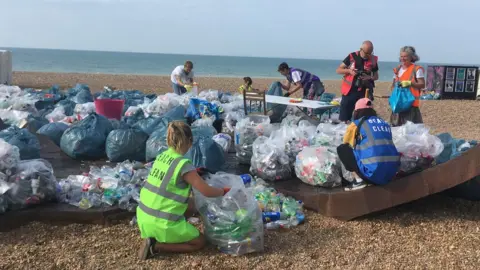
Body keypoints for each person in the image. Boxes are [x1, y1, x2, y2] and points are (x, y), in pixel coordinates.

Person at [137, 121, 229, 260]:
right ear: (190, 141)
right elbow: (207, 191)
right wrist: (223, 191)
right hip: (162, 223)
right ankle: (156, 246)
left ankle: (171, 232)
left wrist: (194, 173)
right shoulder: (183, 164)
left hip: (144, 217)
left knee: (192, 204)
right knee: (200, 242)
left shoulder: (162, 156)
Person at [337, 98, 400, 191]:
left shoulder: (357, 124)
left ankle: (358, 181)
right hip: (391, 173)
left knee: (342, 149)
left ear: (356, 111)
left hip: (373, 174)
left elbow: (346, 142)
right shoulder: (384, 123)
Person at [336, 41, 379, 123]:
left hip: (364, 91)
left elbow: (376, 76)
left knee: (363, 115)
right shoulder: (352, 56)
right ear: (361, 49)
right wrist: (349, 71)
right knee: (345, 116)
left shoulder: (373, 59)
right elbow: (338, 70)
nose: (369, 55)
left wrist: (369, 77)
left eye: (371, 53)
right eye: (367, 53)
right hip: (350, 90)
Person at [390, 46, 425, 126]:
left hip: (411, 106)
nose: (403, 58)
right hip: (398, 105)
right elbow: (392, 86)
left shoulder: (416, 69)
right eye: (401, 56)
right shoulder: (397, 70)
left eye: (405, 56)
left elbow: (422, 84)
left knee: (411, 133)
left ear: (411, 57)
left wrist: (410, 83)